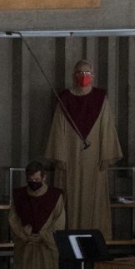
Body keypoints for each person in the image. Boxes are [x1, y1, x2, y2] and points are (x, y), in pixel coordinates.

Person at [45, 59, 123, 239]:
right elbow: (57, 129)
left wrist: (107, 154)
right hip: (70, 159)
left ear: (93, 76)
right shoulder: (64, 99)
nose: (84, 77)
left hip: (94, 161)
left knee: (93, 200)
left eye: (87, 73)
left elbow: (107, 127)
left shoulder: (100, 99)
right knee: (69, 198)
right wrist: (60, 157)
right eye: (80, 73)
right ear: (73, 76)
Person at [9, 161, 67, 269]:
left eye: (37, 179)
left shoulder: (55, 196)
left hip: (46, 248)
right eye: (31, 180)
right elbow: (13, 218)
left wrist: (43, 234)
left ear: (44, 177)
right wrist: (23, 234)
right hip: (26, 247)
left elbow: (59, 221)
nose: (34, 183)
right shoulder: (19, 195)